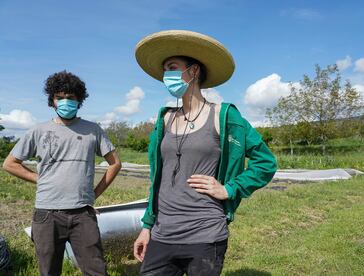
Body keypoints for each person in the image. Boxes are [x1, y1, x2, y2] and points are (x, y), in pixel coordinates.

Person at [133, 30, 277, 276]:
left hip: (205, 233)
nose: (167, 75)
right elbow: (157, 179)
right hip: (162, 233)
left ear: (194, 71)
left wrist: (229, 189)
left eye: (172, 67)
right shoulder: (164, 119)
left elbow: (266, 162)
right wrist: (147, 226)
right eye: (165, 70)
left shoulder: (224, 116)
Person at [2, 71, 122, 276]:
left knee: (96, 270)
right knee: (49, 271)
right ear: (52, 100)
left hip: (82, 214)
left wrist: (94, 194)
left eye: (71, 97)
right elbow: (10, 163)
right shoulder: (38, 131)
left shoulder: (93, 130)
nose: (65, 101)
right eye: (60, 97)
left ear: (79, 100)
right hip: (47, 214)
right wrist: (37, 178)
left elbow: (115, 164)